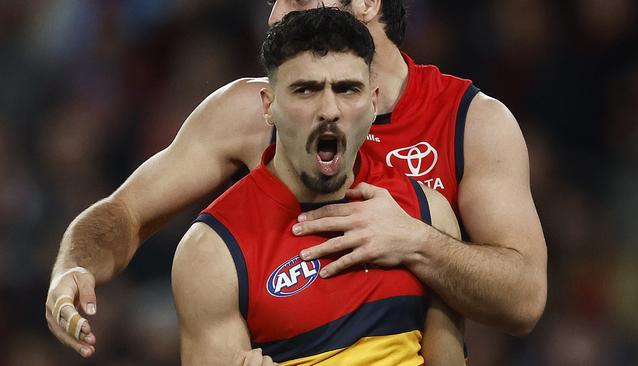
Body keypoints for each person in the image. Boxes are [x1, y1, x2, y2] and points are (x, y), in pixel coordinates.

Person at [46, 0, 547, 359]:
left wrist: (417, 243)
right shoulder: (252, 109)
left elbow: (524, 300)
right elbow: (126, 212)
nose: (274, 14)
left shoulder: (471, 122)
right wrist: (73, 263)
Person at [173, 9, 464, 365]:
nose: (329, 109)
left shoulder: (427, 216)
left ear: (372, 103)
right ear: (269, 106)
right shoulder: (213, 252)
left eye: (347, 89)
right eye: (306, 90)